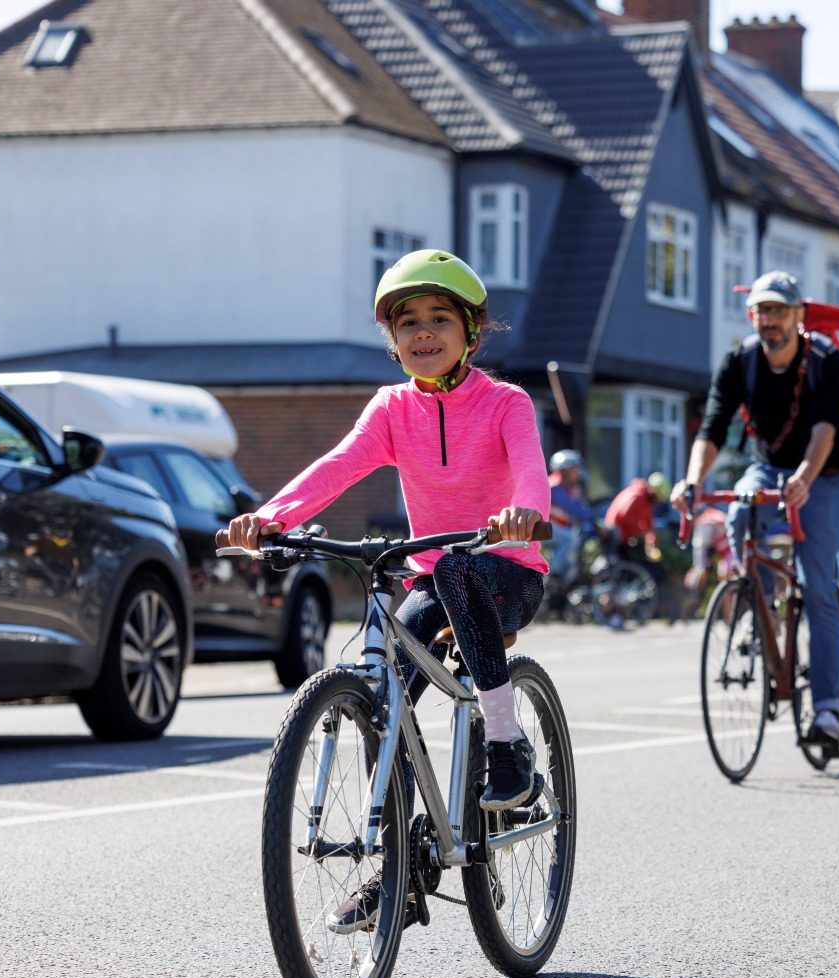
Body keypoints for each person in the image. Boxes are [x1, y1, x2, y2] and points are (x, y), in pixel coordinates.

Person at [224, 248, 549, 848]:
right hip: (435, 579)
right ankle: (397, 860)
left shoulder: (508, 403)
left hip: (507, 572)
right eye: (407, 322)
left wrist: (523, 514)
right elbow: (337, 467)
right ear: (394, 343)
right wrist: (269, 518)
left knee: (455, 568)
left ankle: (506, 743)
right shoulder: (393, 408)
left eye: (439, 318)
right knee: (382, 701)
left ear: (471, 333)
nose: (423, 331)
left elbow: (532, 472)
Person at [672, 269, 839, 759]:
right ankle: (757, 597)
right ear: (751, 315)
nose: (768, 319)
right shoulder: (740, 360)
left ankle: (828, 711)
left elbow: (825, 430)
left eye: (778, 310)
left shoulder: (827, 359)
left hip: (826, 472)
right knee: (738, 514)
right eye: (761, 311)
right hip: (768, 467)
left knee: (818, 587)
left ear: (799, 316)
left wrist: (805, 480)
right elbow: (713, 425)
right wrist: (693, 481)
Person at [547, 449, 593, 592]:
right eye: (575, 469)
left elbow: (579, 507)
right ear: (564, 470)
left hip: (557, 530)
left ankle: (559, 595)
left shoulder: (569, 486)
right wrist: (593, 516)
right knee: (570, 540)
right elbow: (572, 508)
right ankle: (552, 576)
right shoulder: (554, 486)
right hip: (544, 530)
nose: (578, 472)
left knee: (570, 562)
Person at [604, 471, 672, 562]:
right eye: (657, 497)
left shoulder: (647, 502)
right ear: (652, 490)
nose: (657, 501)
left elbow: (649, 525)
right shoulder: (637, 495)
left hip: (625, 534)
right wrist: (641, 530)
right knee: (624, 559)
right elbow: (625, 516)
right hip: (614, 530)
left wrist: (651, 544)